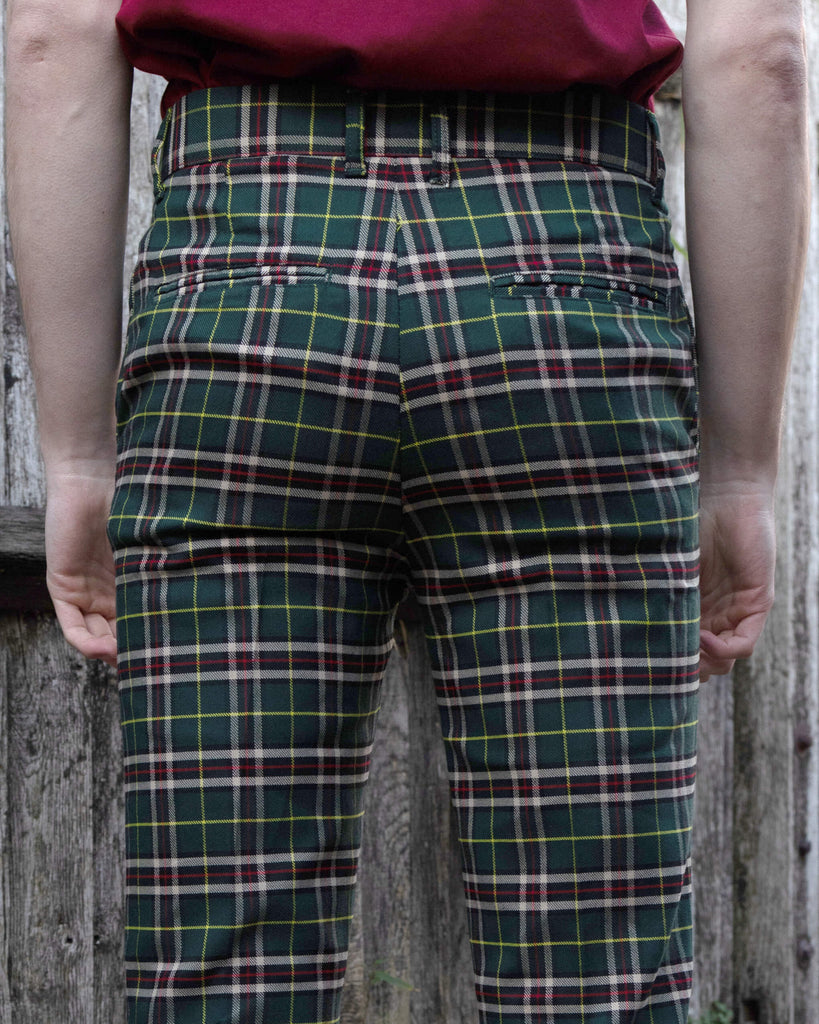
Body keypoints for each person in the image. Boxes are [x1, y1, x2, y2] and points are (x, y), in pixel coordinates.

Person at [5, 0, 809, 1021]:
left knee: (223, 977)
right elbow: (759, 54)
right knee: (598, 977)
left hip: (255, 276)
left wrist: (77, 452)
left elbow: (54, 30)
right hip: (559, 279)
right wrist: (739, 471)